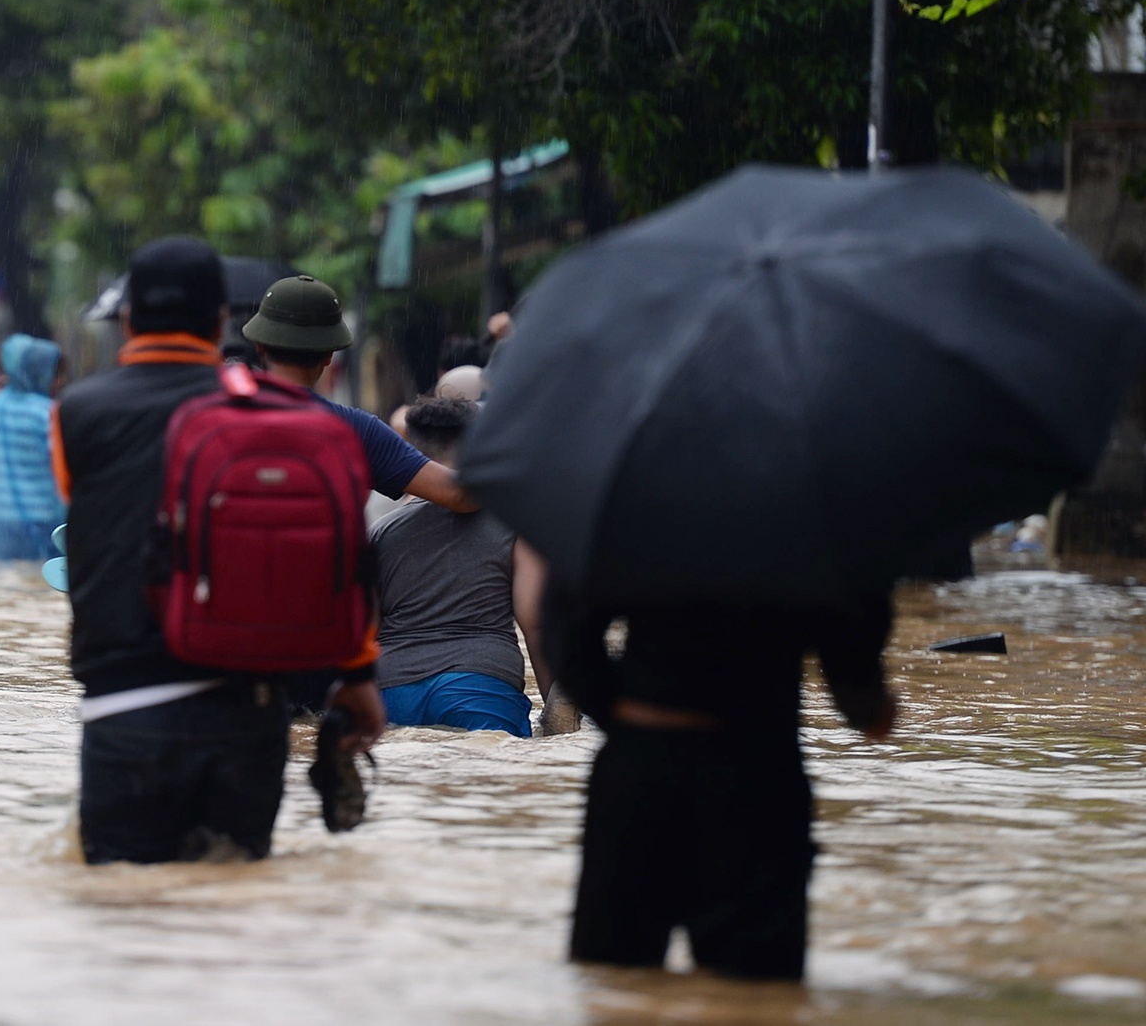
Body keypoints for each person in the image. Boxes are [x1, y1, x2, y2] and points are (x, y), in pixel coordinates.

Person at [51, 236, 385, 864]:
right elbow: (340, 556)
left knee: (125, 914)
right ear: (220, 322)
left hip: (126, 710)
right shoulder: (273, 415)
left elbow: (93, 522)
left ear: (127, 320)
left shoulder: (77, 412)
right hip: (248, 710)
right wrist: (358, 673)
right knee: (233, 918)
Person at [549, 581, 897, 980]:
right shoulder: (821, 545)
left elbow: (565, 632)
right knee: (755, 992)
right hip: (757, 779)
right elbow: (858, 694)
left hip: (640, 766)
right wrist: (878, 708)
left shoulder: (635, 532)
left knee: (610, 982)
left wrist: (627, 720)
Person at [371, 397, 552, 734]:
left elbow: (364, 630)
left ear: (406, 449)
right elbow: (537, 625)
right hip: (480, 689)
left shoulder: (379, 532)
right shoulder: (516, 526)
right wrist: (558, 718)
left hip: (392, 693)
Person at [241, 275, 476, 514]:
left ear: (259, 346)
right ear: (329, 355)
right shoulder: (357, 430)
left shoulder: (215, 411)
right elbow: (458, 494)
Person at [0, 333, 66, 561]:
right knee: (37, 587)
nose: (60, 381)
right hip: (40, 525)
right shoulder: (49, 413)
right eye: (56, 373)